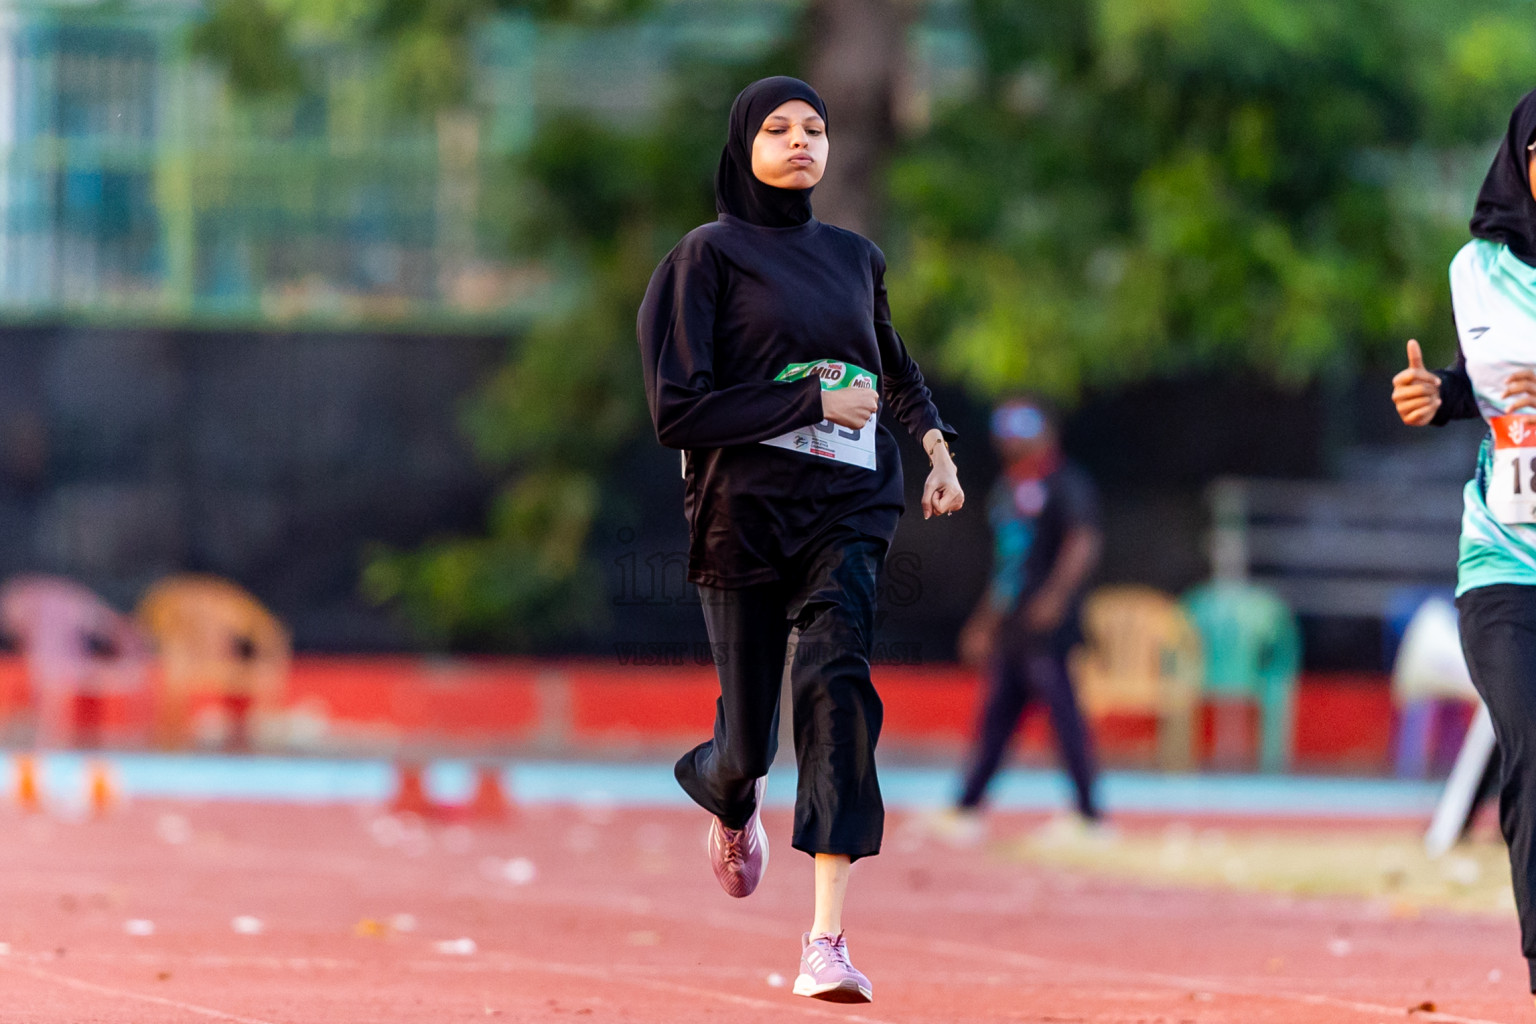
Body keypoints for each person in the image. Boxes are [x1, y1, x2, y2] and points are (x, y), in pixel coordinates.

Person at [636, 76, 963, 1004]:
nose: (801, 142)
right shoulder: (705, 259)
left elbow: (892, 370)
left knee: (837, 686)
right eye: (778, 128)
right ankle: (728, 796)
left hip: (848, 508)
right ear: (743, 145)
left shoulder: (856, 257)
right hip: (741, 513)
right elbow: (678, 412)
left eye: (815, 128)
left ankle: (827, 938)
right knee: (749, 746)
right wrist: (812, 399)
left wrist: (937, 450)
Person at [1390, 86, 1536, 1003]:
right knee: (1533, 747)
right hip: (1505, 561)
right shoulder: (1474, 270)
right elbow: (1490, 381)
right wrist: (1440, 396)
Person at [931, 399, 1102, 844]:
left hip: (1046, 629)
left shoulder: (1065, 482)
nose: (1013, 441)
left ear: (1047, 433)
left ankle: (1090, 816)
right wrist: (985, 622)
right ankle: (966, 809)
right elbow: (1008, 562)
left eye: (1022, 431)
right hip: (1012, 627)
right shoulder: (1009, 488)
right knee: (997, 719)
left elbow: (1083, 541)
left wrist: (1055, 597)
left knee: (1063, 718)